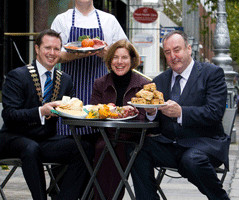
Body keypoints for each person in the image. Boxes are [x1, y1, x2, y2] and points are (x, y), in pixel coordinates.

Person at [129, 30, 230, 200]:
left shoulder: (211, 74)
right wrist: (152, 113)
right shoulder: (159, 81)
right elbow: (155, 120)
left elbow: (215, 113)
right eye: (167, 52)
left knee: (191, 160)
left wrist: (181, 113)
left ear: (188, 49)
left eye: (177, 50)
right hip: (170, 144)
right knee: (135, 149)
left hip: (204, 143)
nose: (173, 56)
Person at [0, 29, 93, 200]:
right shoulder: (18, 75)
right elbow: (9, 115)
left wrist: (85, 112)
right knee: (30, 148)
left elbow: (67, 114)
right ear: (37, 49)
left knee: (84, 148)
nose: (52, 53)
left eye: (56, 49)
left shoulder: (65, 79)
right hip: (13, 137)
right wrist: (40, 111)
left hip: (44, 139)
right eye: (47, 48)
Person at [51, 0, 127, 135]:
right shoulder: (61, 20)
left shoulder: (109, 20)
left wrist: (107, 54)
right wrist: (78, 54)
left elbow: (125, 54)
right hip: (70, 91)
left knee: (101, 138)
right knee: (70, 140)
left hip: (103, 91)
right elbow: (54, 56)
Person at [90, 39, 150, 200]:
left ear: (132, 60)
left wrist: (133, 113)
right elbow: (93, 112)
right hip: (105, 136)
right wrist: (108, 111)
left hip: (132, 139)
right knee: (104, 147)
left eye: (124, 57)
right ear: (110, 60)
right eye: (115, 57)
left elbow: (146, 117)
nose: (119, 62)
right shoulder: (100, 83)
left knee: (113, 148)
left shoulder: (145, 85)